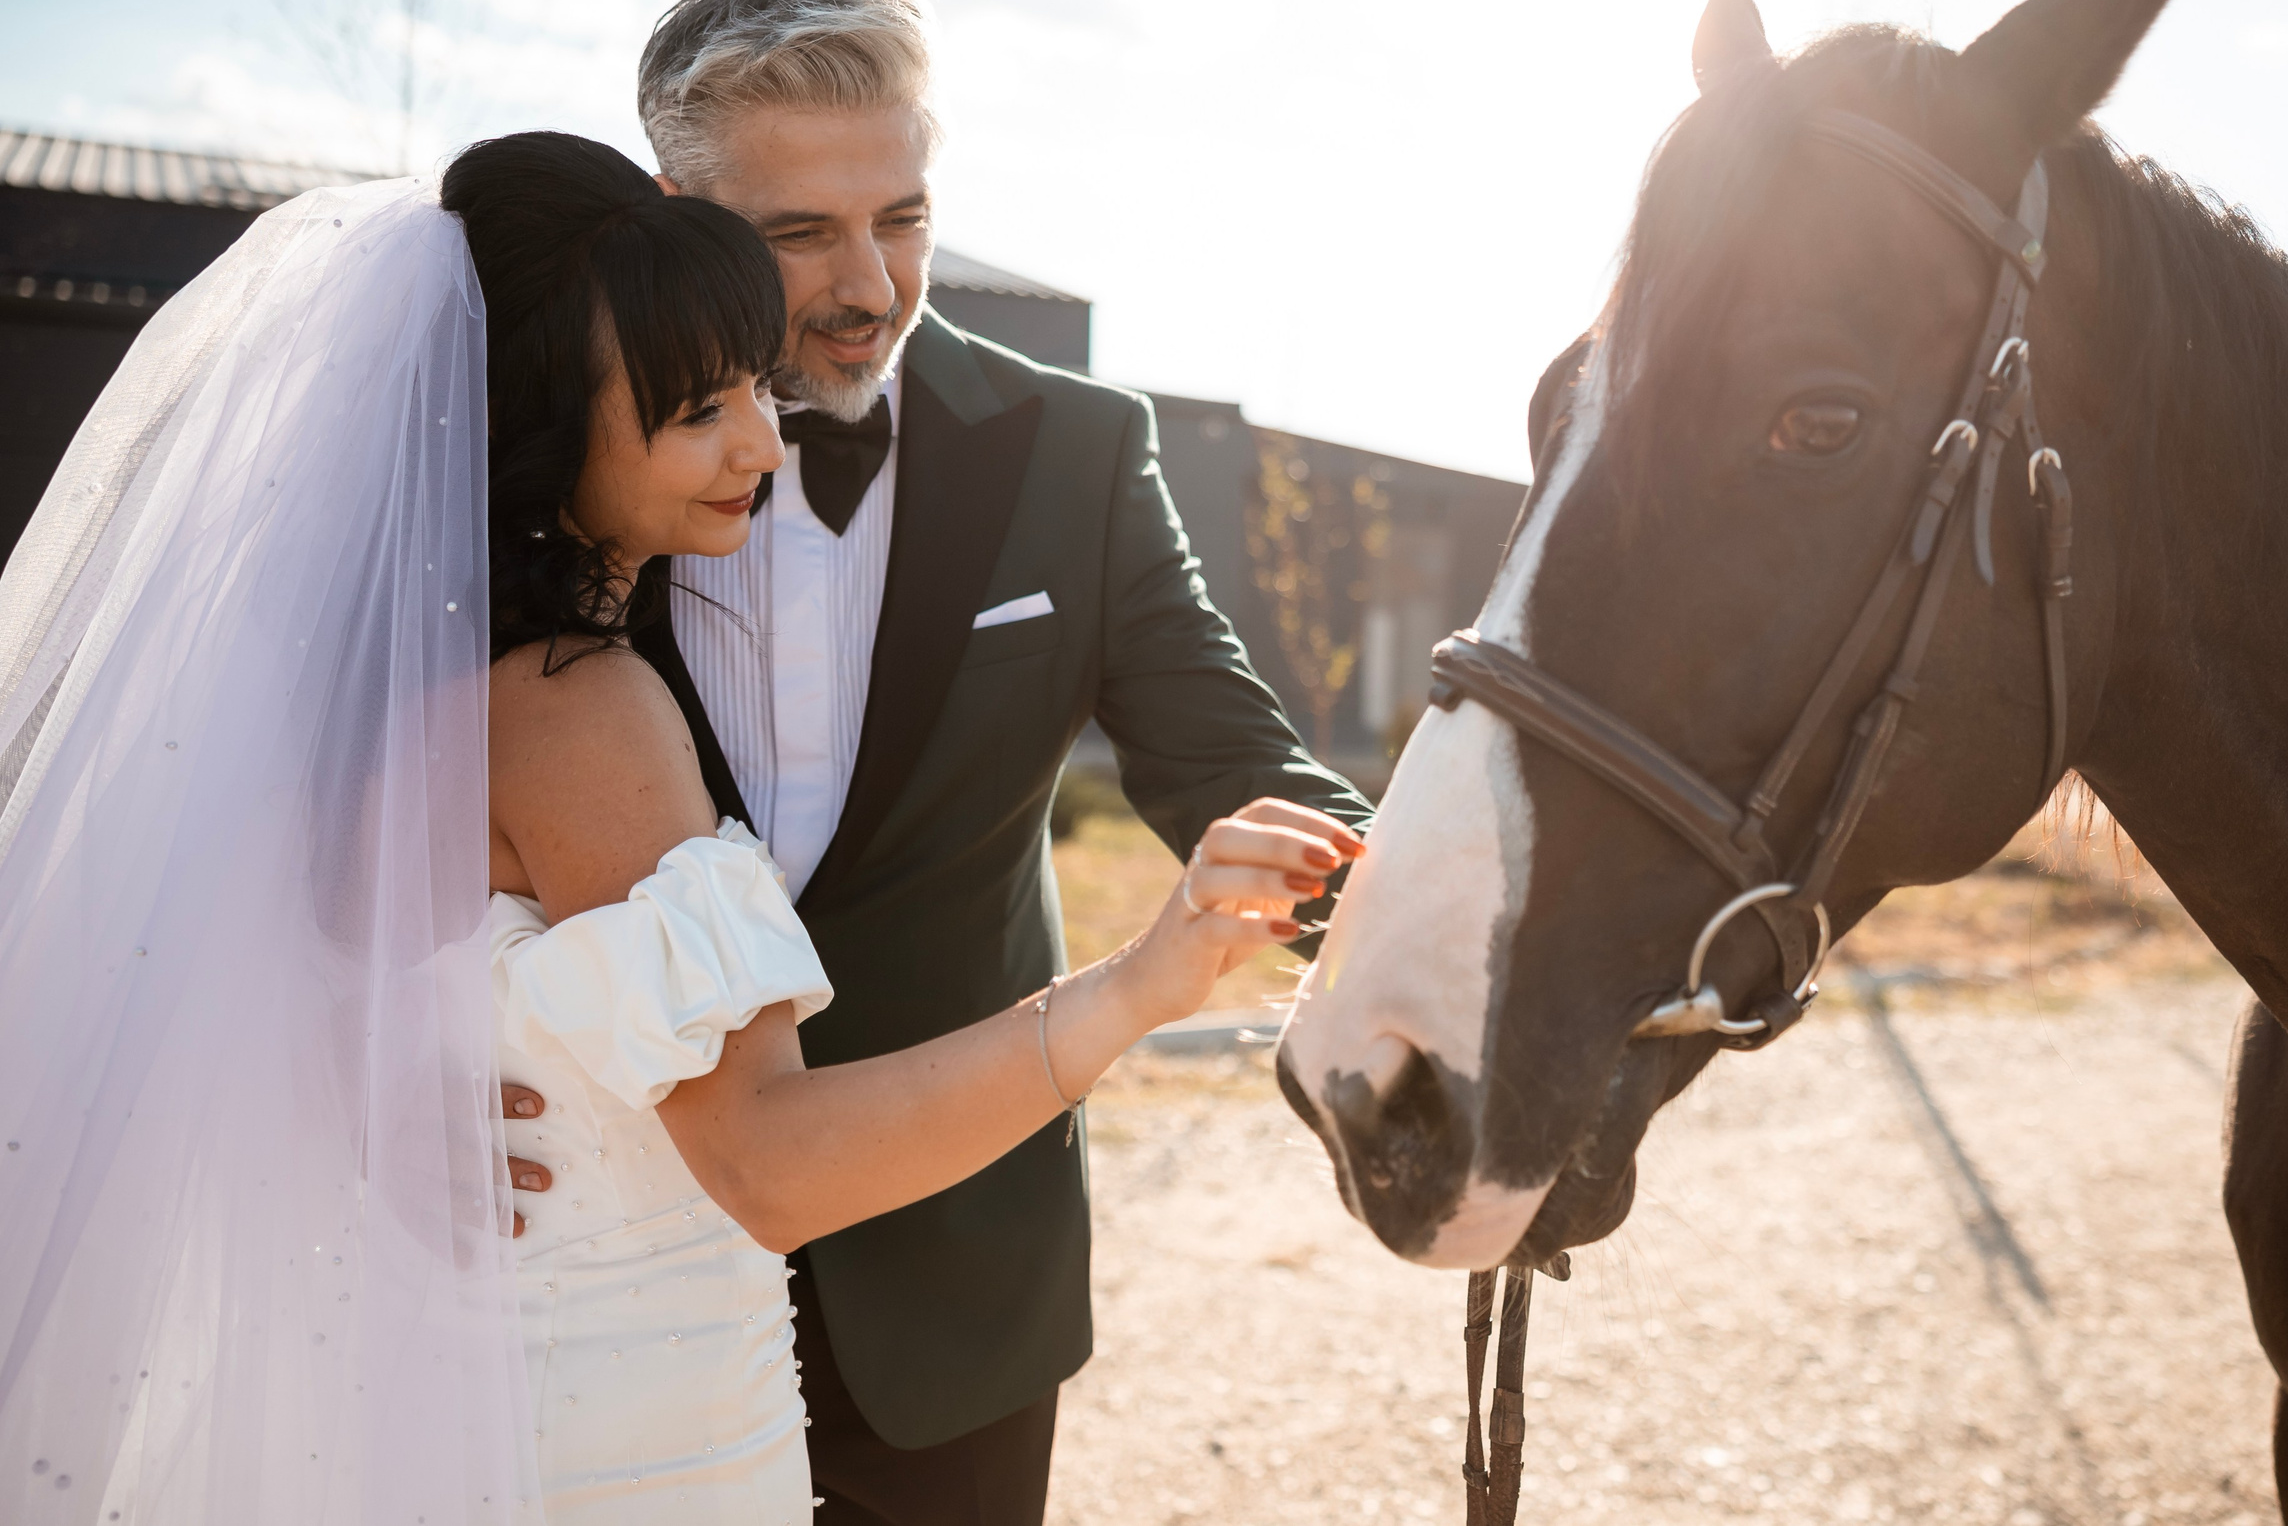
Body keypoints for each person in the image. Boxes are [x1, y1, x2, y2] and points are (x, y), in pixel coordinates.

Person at [0, 133, 1353, 1525]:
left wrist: (358, 1092)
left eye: (754, 389)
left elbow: (184, 982)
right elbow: (770, 1163)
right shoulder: (584, 711)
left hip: (468, 1390)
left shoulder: (364, 698)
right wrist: (1136, 988)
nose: (766, 442)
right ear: (537, 420)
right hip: (633, 1443)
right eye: (697, 408)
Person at [500, 0, 1374, 1523]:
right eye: (797, 234)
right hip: (601, 1284)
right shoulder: (543, 464)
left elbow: (1235, 760)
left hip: (960, 1285)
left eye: (899, 218)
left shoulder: (1082, 452)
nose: (867, 285)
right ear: (674, 210)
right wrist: (392, 1085)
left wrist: (1428, 912)